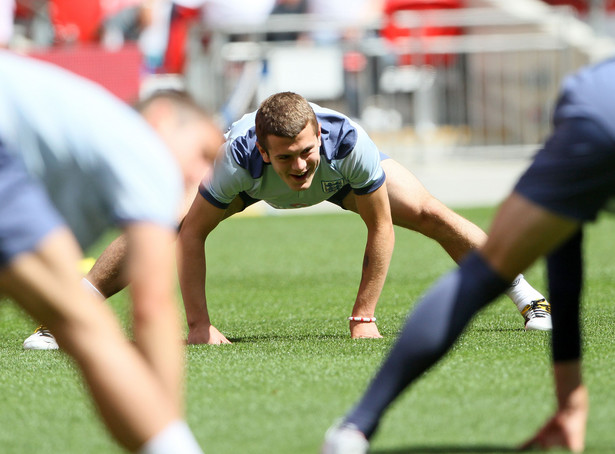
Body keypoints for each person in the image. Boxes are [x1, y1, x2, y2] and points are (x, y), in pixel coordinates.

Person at [321, 57, 615, 454]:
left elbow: (564, 240)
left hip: (593, 100)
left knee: (481, 273)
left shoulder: (592, 84)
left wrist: (570, 401)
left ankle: (354, 429)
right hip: (596, 104)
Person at [174, 91, 549, 344]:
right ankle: (108, 302)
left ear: (319, 135)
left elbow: (380, 226)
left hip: (337, 178)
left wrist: (363, 317)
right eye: (287, 156)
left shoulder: (349, 143)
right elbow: (192, 235)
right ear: (264, 150)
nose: (301, 165)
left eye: (306, 150)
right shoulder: (237, 158)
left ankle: (529, 298)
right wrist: (199, 325)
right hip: (253, 184)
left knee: (429, 212)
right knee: (167, 225)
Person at [0, 51, 221, 453]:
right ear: (163, 119)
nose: (203, 175)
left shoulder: (88, 141)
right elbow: (152, 307)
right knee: (82, 322)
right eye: (204, 152)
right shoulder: (145, 149)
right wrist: (165, 427)